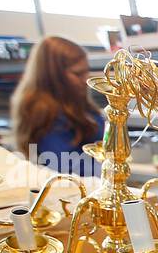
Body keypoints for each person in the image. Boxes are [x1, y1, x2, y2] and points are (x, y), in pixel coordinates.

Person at [12, 36, 103, 177]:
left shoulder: (75, 100)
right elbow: (66, 166)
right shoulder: (43, 112)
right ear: (54, 75)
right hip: (74, 187)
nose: (86, 79)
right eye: (78, 73)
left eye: (86, 71)